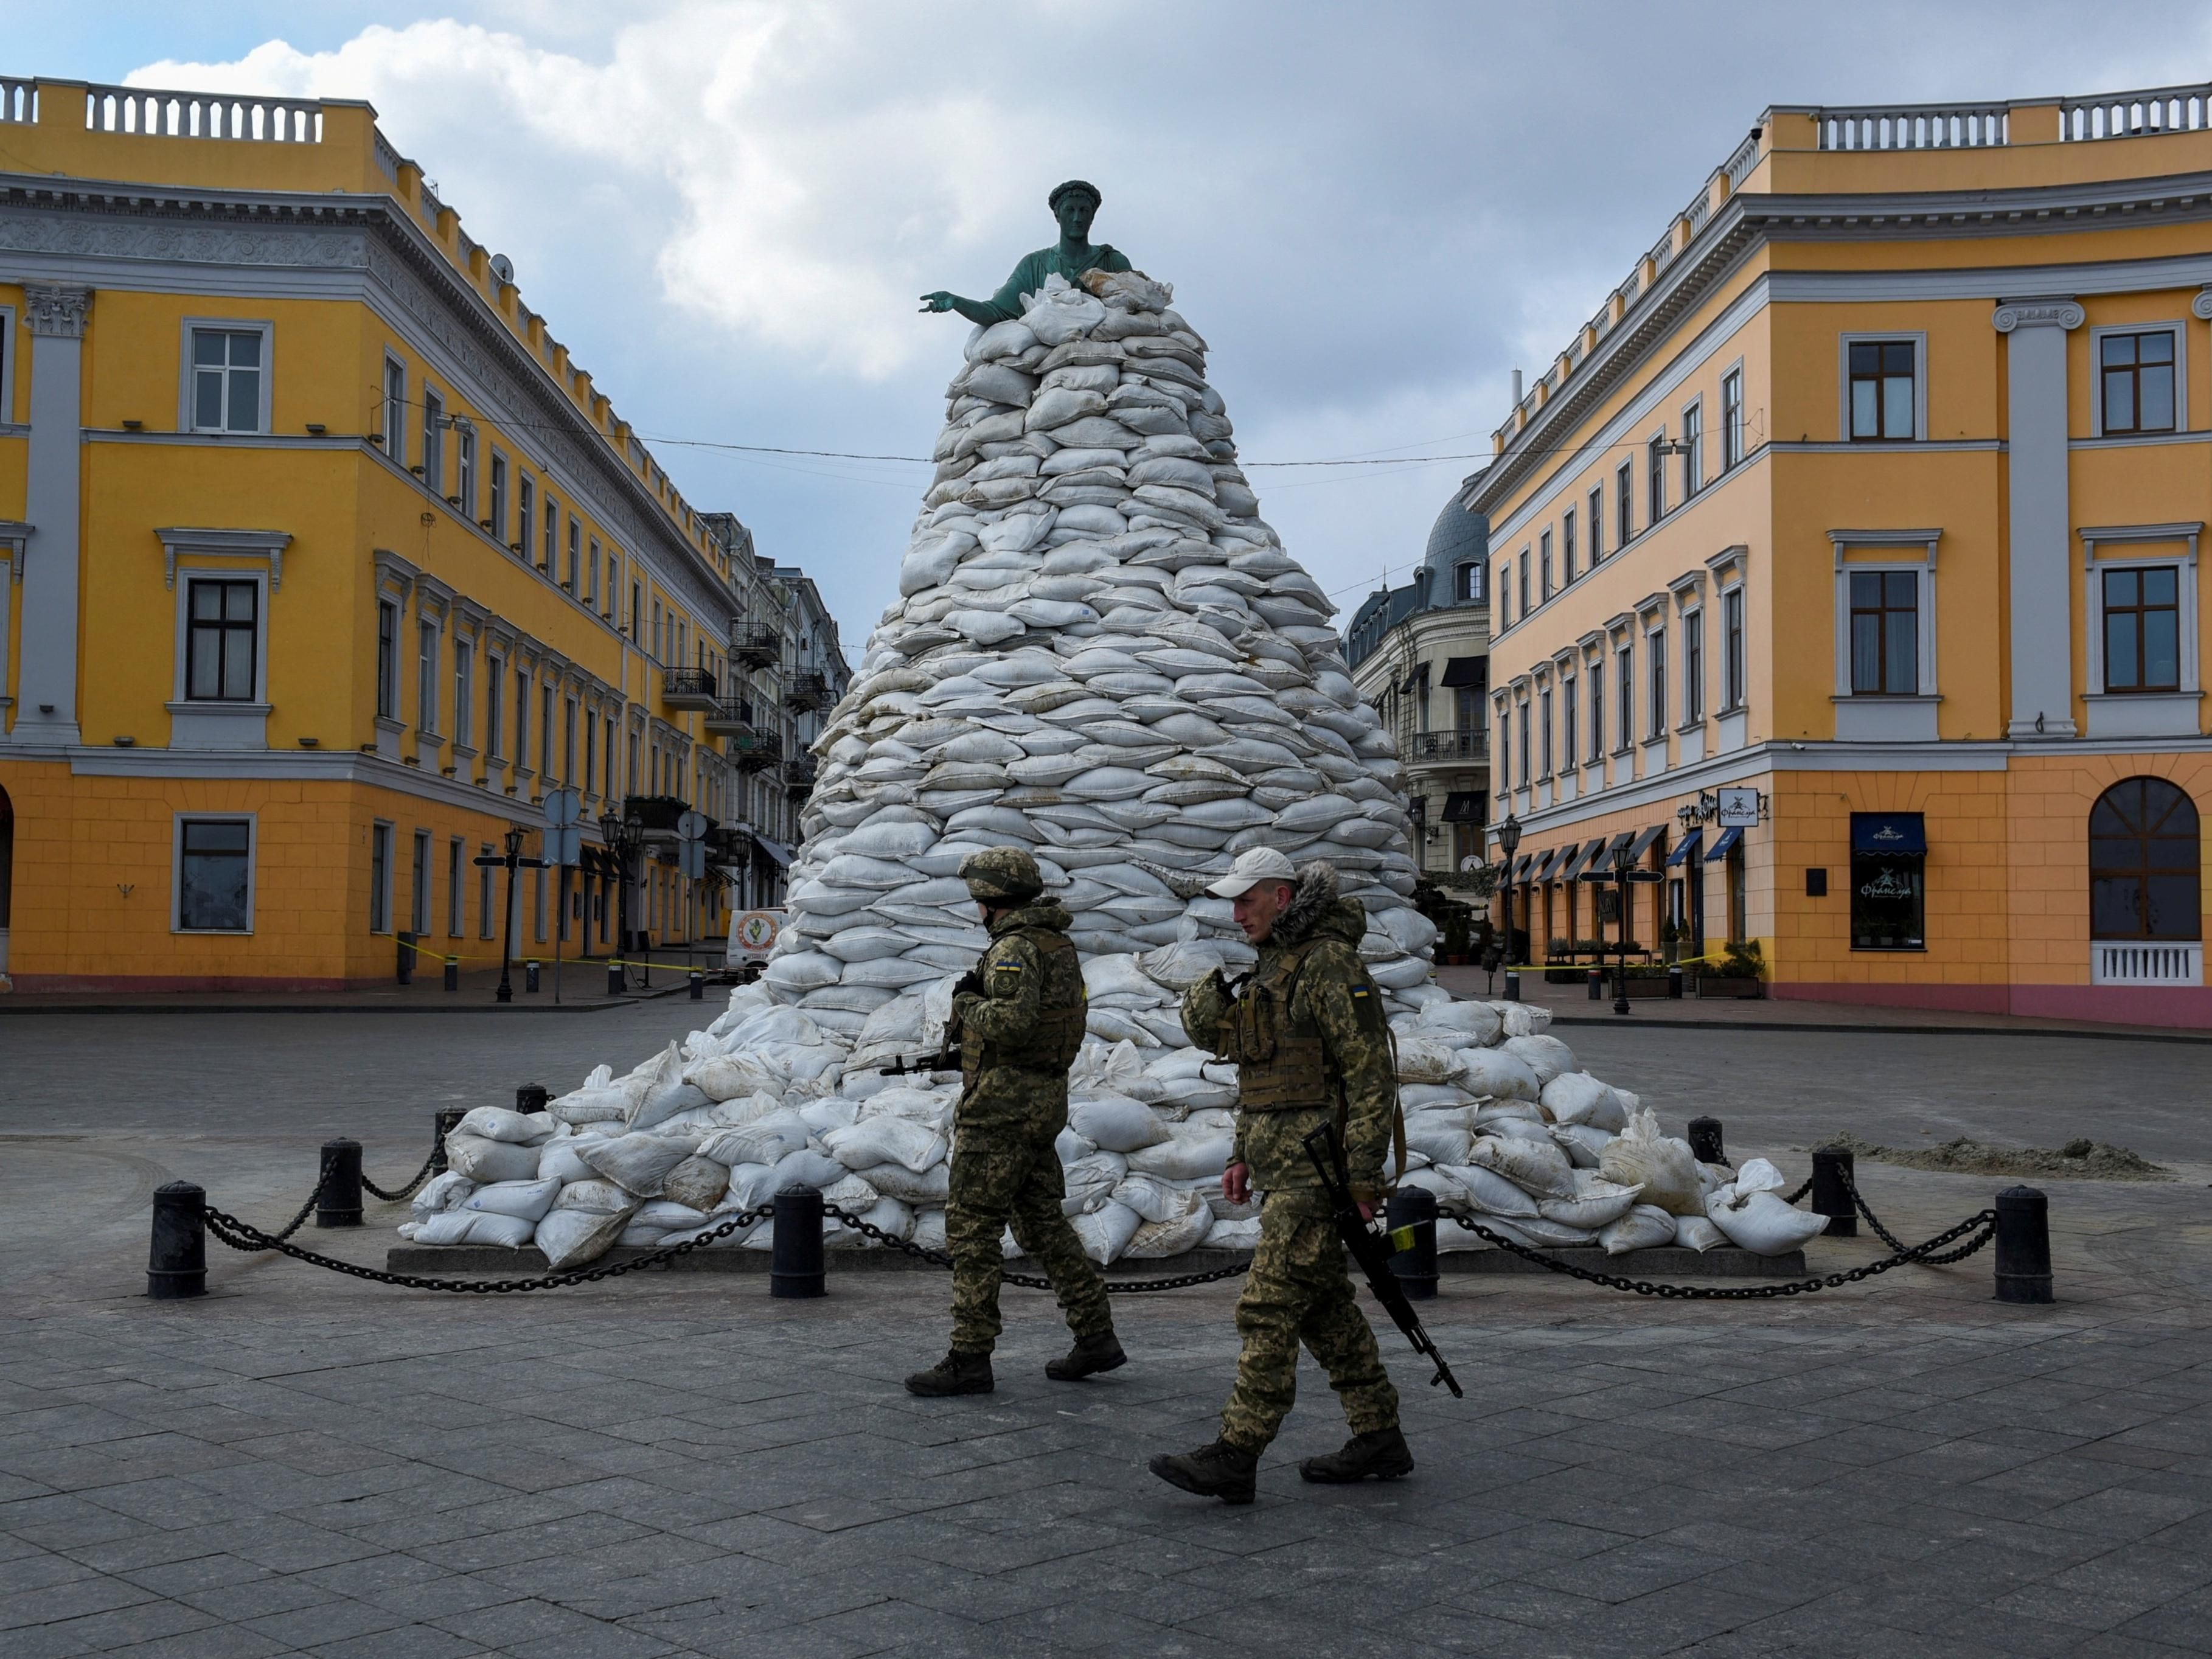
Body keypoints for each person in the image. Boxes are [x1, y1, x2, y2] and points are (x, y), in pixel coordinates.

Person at [1149, 847, 1408, 1503]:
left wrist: (1362, 1177)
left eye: (1246, 901)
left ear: (1281, 898)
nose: (1236, 915)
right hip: (1283, 1164)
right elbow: (1262, 1075)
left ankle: (1237, 1452)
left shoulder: (1328, 964)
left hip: (1318, 1175)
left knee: (1266, 1307)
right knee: (1323, 1311)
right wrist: (1243, 1153)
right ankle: (1379, 1434)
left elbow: (1370, 1075)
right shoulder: (1275, 968)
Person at [905, 846, 1124, 1396]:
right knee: (1040, 1223)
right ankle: (1096, 1333)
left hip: (1000, 1110)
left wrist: (967, 1004)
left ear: (991, 899)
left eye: (978, 896)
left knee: (973, 1227)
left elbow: (1015, 1021)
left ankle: (970, 1356)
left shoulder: (1015, 948)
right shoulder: (1057, 943)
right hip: (1042, 1101)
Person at [919, 179, 1134, 325]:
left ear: (1092, 216)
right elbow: (997, 311)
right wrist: (957, 302)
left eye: (1084, 211)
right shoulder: (1034, 265)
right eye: (1070, 210)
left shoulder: (1112, 261)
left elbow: (1137, 307)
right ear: (1058, 216)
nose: (1077, 218)